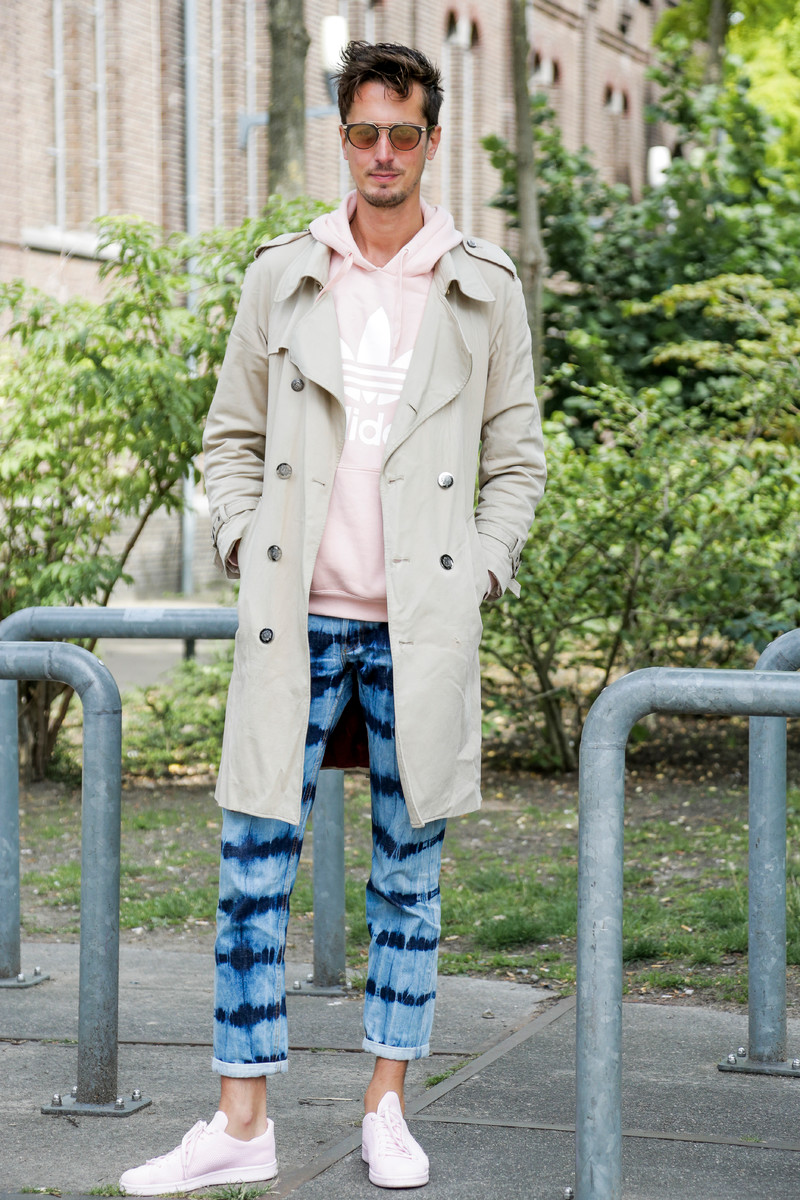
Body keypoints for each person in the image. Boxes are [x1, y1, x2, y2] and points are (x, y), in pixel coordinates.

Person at [119, 40, 545, 1195]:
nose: (382, 154)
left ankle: (385, 1108)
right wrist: (242, 539)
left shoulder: (482, 285)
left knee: (408, 879)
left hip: (418, 626)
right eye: (363, 133)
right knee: (250, 871)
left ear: (431, 140)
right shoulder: (285, 275)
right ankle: (240, 1123)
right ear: (341, 138)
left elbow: (516, 459)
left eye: (403, 134)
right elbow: (229, 435)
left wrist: (479, 571)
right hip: (293, 618)